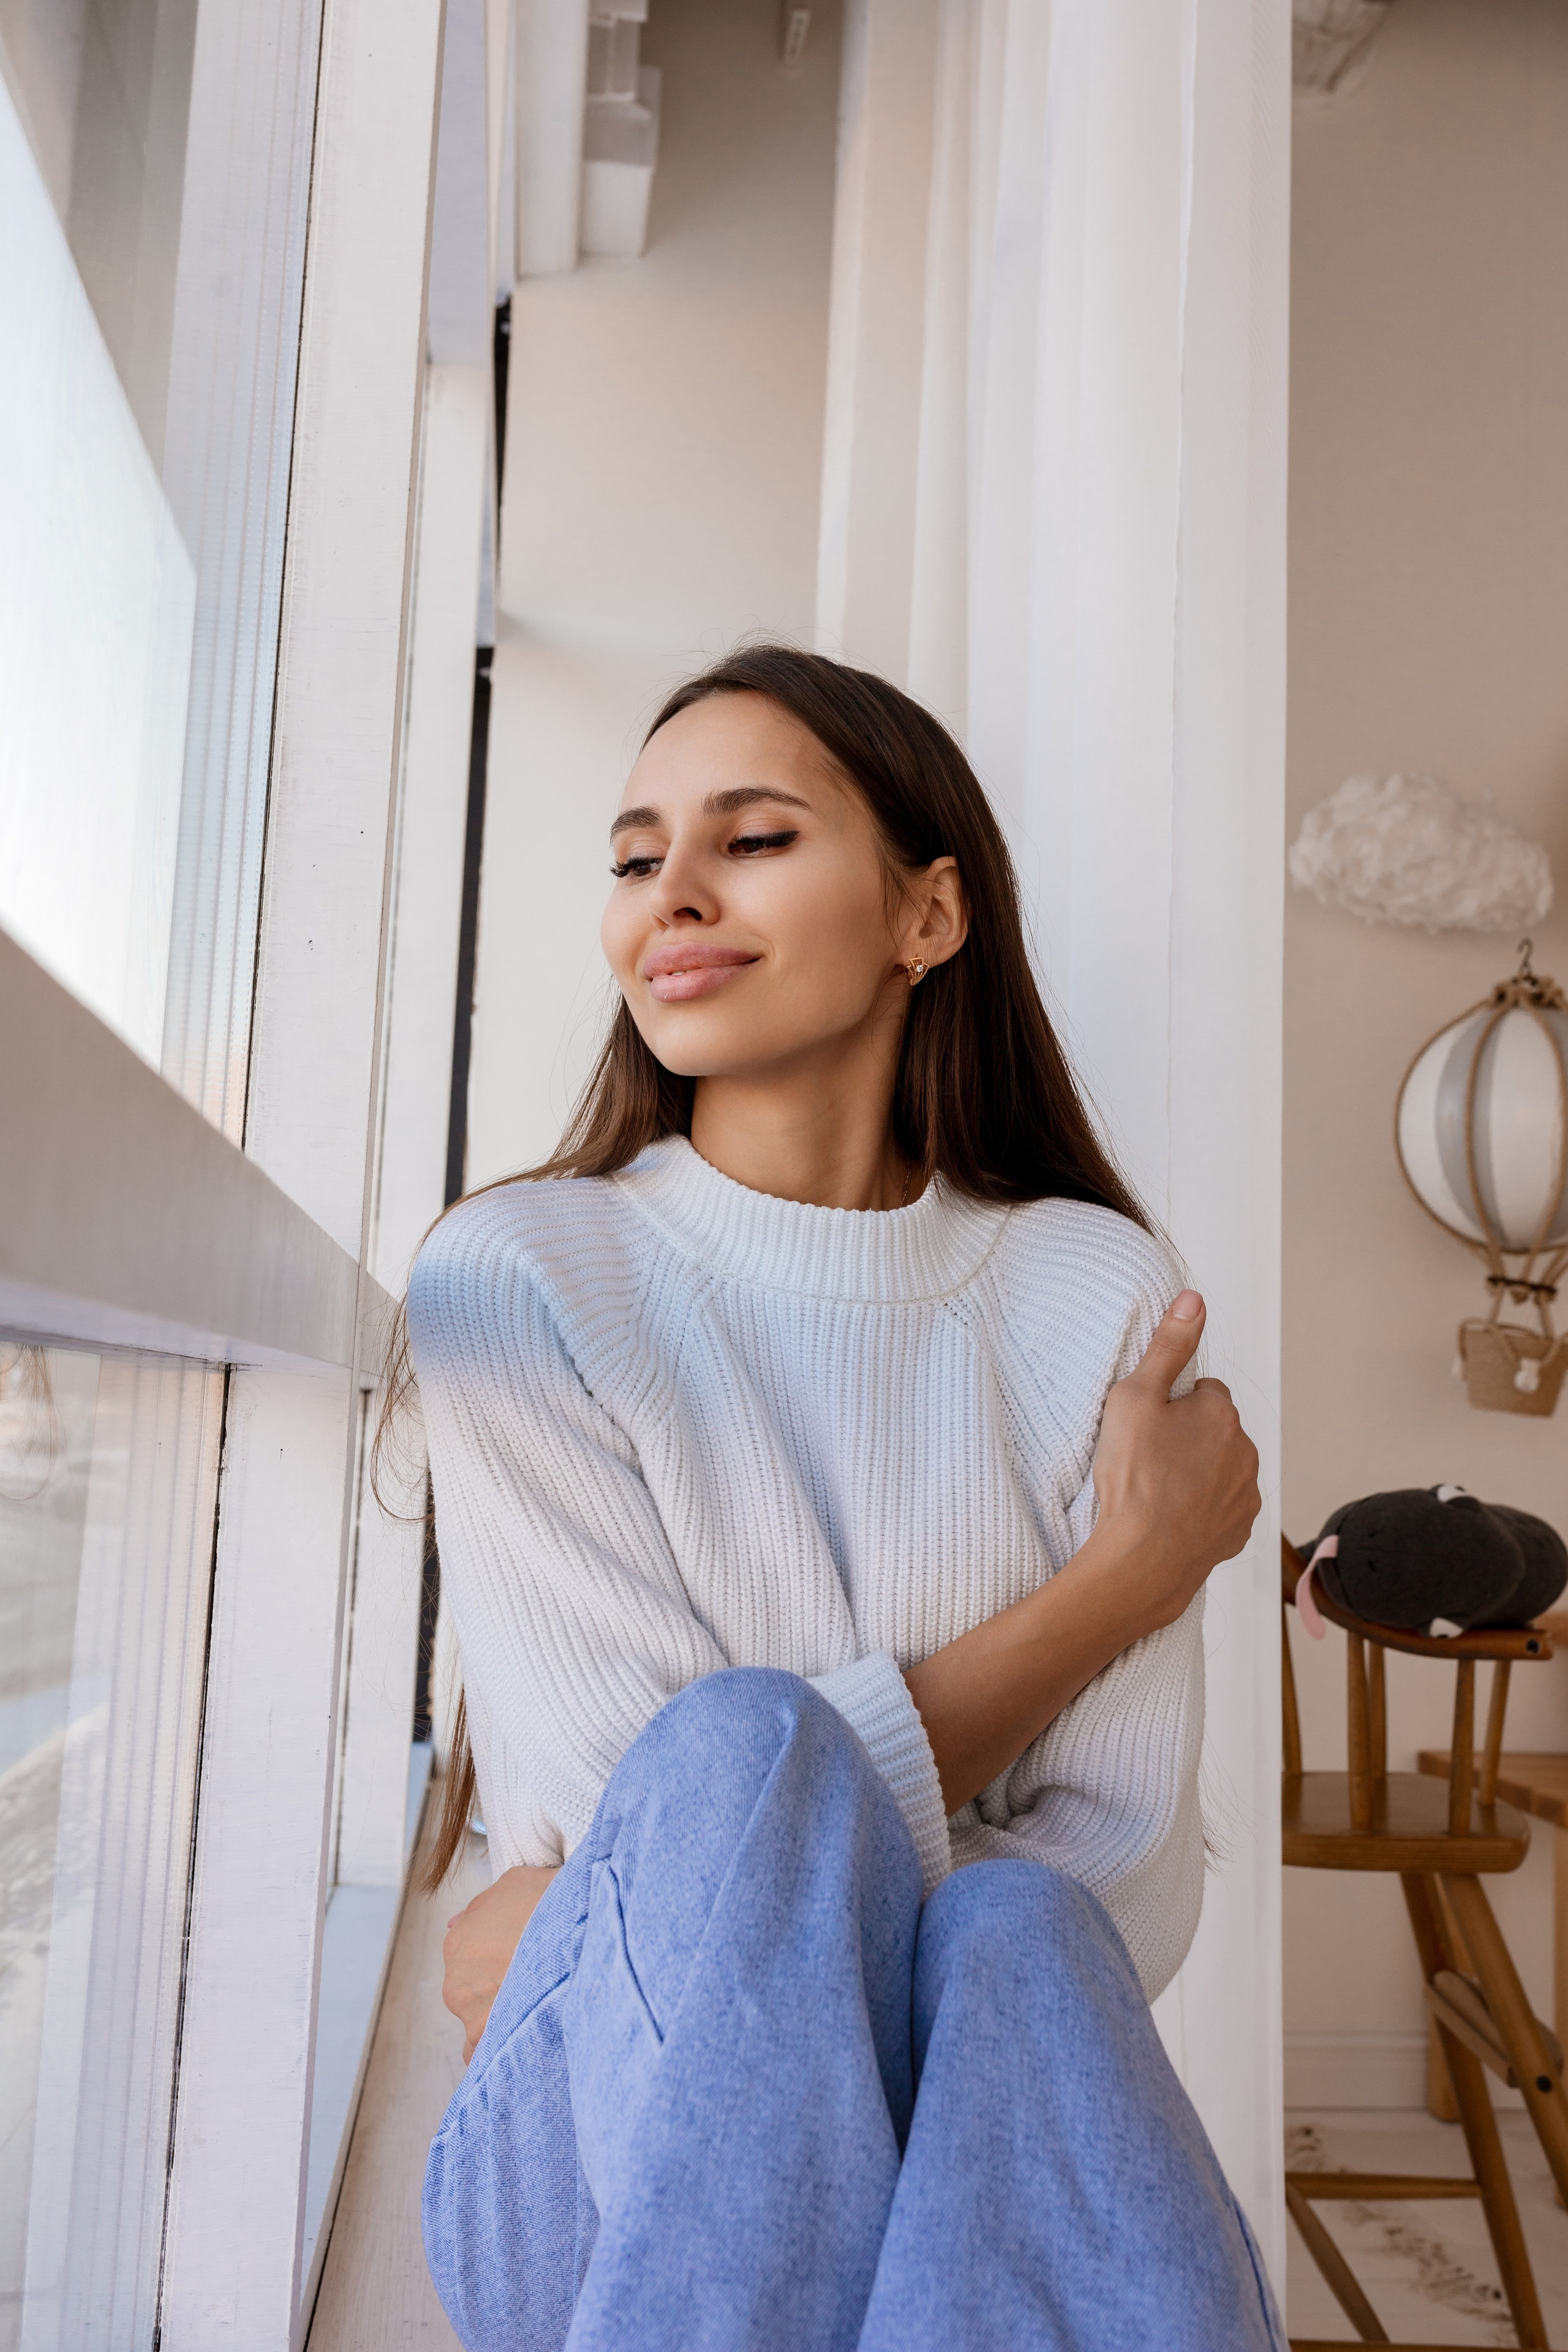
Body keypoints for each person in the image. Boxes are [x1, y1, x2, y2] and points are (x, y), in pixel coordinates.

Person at [402, 647, 1279, 2350]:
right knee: (748, 1752)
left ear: (926, 916)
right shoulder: (517, 1276)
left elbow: (1121, 1879)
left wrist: (771, 1869)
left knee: (1026, 1925)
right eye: (637, 855)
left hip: (975, 2142)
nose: (673, 894)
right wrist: (1117, 1583)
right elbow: (673, 1848)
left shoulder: (1090, 1293)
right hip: (615, 2166)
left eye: (752, 839)